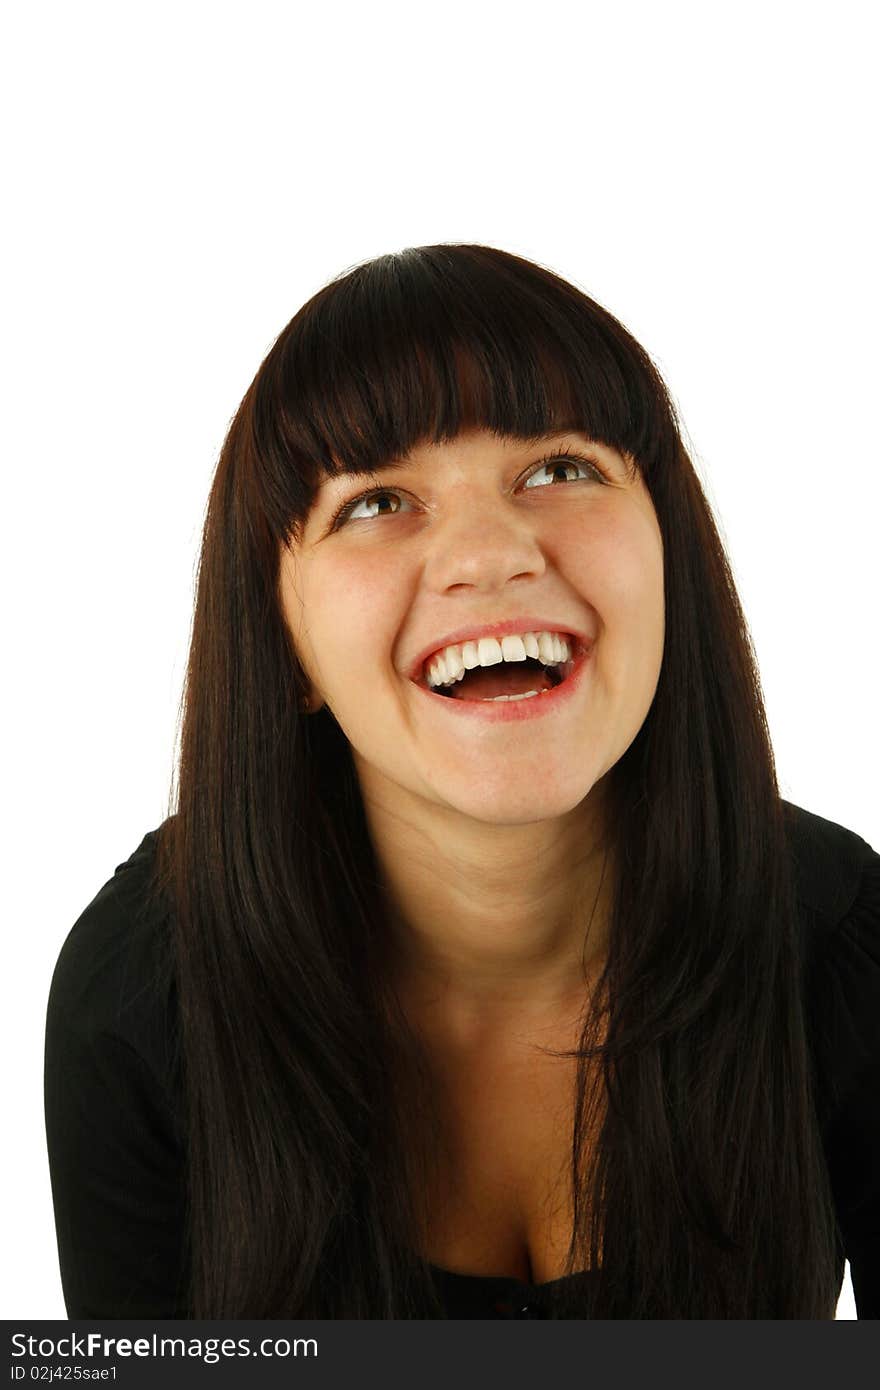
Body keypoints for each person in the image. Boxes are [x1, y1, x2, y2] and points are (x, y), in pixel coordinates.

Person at [44, 244, 880, 1320]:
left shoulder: (841, 941)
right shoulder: (140, 999)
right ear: (286, 642)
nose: (490, 554)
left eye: (559, 469)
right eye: (376, 499)